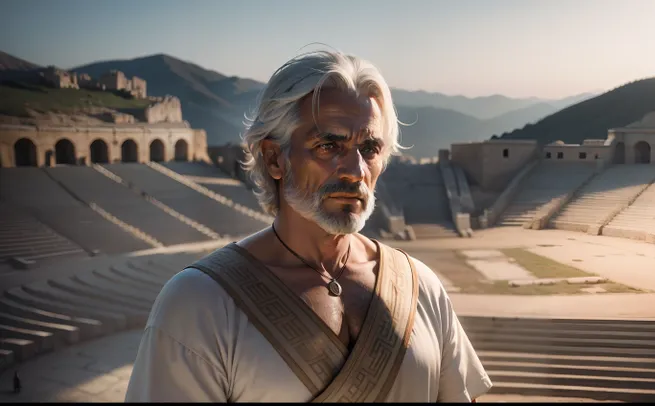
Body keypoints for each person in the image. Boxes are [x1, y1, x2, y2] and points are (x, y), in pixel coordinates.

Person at [125, 48, 492, 402]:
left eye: (369, 149)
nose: (355, 171)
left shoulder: (420, 287)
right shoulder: (200, 304)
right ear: (274, 158)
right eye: (328, 146)